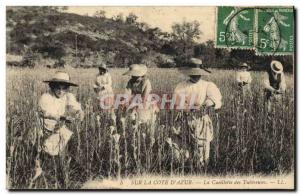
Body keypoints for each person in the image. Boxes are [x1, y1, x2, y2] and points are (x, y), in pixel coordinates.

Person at [34, 71, 84, 188]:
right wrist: (62, 117)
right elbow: (45, 112)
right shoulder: (46, 97)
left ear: (67, 89)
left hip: (59, 126)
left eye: (64, 88)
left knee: (61, 149)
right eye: (58, 88)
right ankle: (41, 174)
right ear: (52, 86)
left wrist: (79, 111)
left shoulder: (68, 96)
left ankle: (61, 175)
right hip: (45, 127)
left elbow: (74, 105)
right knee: (43, 152)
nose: (61, 91)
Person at [173, 58, 222, 166]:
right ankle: (185, 167)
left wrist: (206, 104)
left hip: (201, 119)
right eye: (193, 74)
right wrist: (188, 108)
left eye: (197, 74)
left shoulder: (207, 85)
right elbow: (177, 103)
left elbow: (216, 99)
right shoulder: (181, 86)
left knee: (202, 146)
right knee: (183, 146)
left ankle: (201, 168)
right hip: (185, 118)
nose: (195, 76)